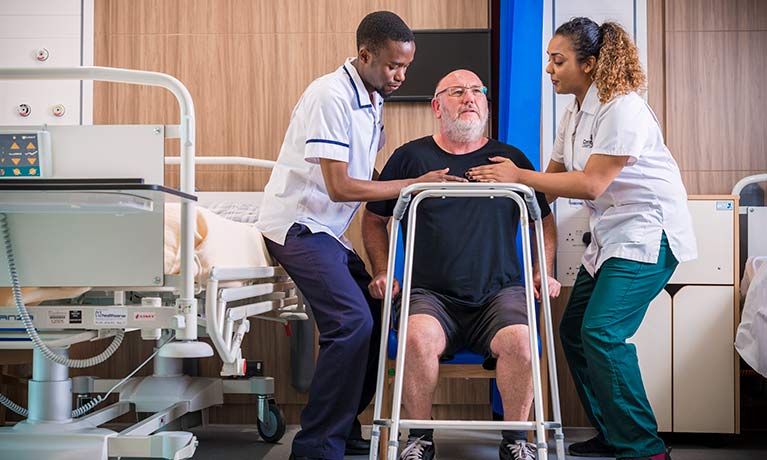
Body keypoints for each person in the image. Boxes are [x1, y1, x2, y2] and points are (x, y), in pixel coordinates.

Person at [467, 18, 697, 460]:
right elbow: (549, 181)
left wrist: (516, 174)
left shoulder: (623, 108)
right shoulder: (573, 112)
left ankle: (646, 448)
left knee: (603, 333)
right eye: (548, 61)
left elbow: (591, 184)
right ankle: (614, 433)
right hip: (611, 235)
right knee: (573, 332)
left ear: (589, 64)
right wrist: (489, 189)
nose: (550, 70)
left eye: (559, 61)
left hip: (648, 234)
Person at [257, 11, 465, 460]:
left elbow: (362, 173)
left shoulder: (371, 99)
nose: (400, 76)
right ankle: (315, 446)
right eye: (394, 66)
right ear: (365, 54)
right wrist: (412, 184)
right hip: (297, 226)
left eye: (406, 67)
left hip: (326, 231)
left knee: (375, 311)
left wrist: (411, 193)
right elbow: (341, 186)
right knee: (350, 324)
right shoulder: (329, 96)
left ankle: (345, 424)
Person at [362, 69, 561, 460]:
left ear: (486, 104)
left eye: (476, 92)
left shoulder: (511, 160)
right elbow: (373, 218)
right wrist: (384, 270)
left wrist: (544, 270)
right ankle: (419, 438)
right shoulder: (410, 157)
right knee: (415, 339)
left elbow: (545, 220)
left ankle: (518, 438)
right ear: (438, 106)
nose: (469, 98)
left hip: (499, 294)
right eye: (457, 92)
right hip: (430, 295)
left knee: (522, 342)